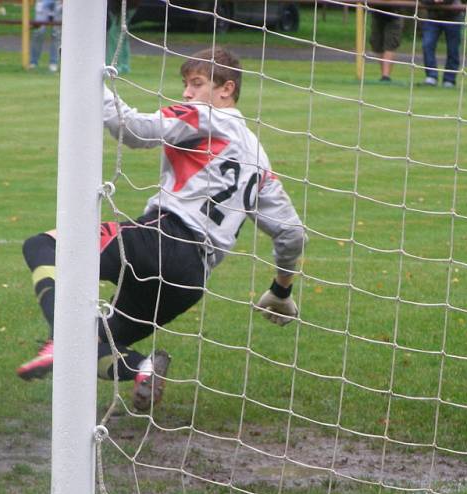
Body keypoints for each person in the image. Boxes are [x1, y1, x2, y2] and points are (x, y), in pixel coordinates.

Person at [17, 48, 306, 411]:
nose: (186, 93)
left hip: (161, 238)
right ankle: (143, 367)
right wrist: (281, 289)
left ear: (226, 89)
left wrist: (85, 77)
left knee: (43, 246)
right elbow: (292, 232)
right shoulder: (259, 159)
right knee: (92, 343)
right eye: (185, 84)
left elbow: (134, 130)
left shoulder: (205, 116)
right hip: (191, 278)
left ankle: (60, 335)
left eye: (196, 83)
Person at [419, 0, 464, 88]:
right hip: (433, 17)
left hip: (453, 16)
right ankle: (431, 76)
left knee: (453, 49)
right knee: (427, 44)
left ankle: (449, 79)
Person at [106, 0, 140, 75]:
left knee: (114, 34)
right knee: (122, 34)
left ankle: (115, 64)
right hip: (127, 6)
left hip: (121, 7)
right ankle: (124, 65)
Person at [370, 9, 404, 82]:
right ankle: (383, 74)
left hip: (394, 14)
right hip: (377, 13)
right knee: (377, 44)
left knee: (391, 44)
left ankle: (386, 76)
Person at [30, 0, 63, 72]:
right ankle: (33, 63)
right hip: (42, 1)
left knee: (57, 33)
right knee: (38, 31)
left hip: (58, 2)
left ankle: (53, 63)